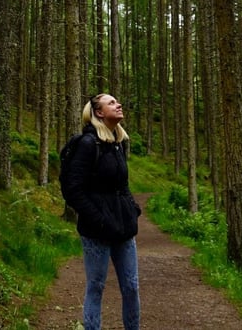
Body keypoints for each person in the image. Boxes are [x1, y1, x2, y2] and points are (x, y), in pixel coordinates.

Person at [61, 93, 141, 330]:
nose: (119, 104)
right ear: (98, 112)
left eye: (118, 101)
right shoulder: (87, 144)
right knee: (96, 286)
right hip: (96, 231)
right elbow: (73, 190)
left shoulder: (117, 143)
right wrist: (99, 220)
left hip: (123, 228)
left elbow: (122, 184)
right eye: (112, 103)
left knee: (132, 286)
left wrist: (132, 209)